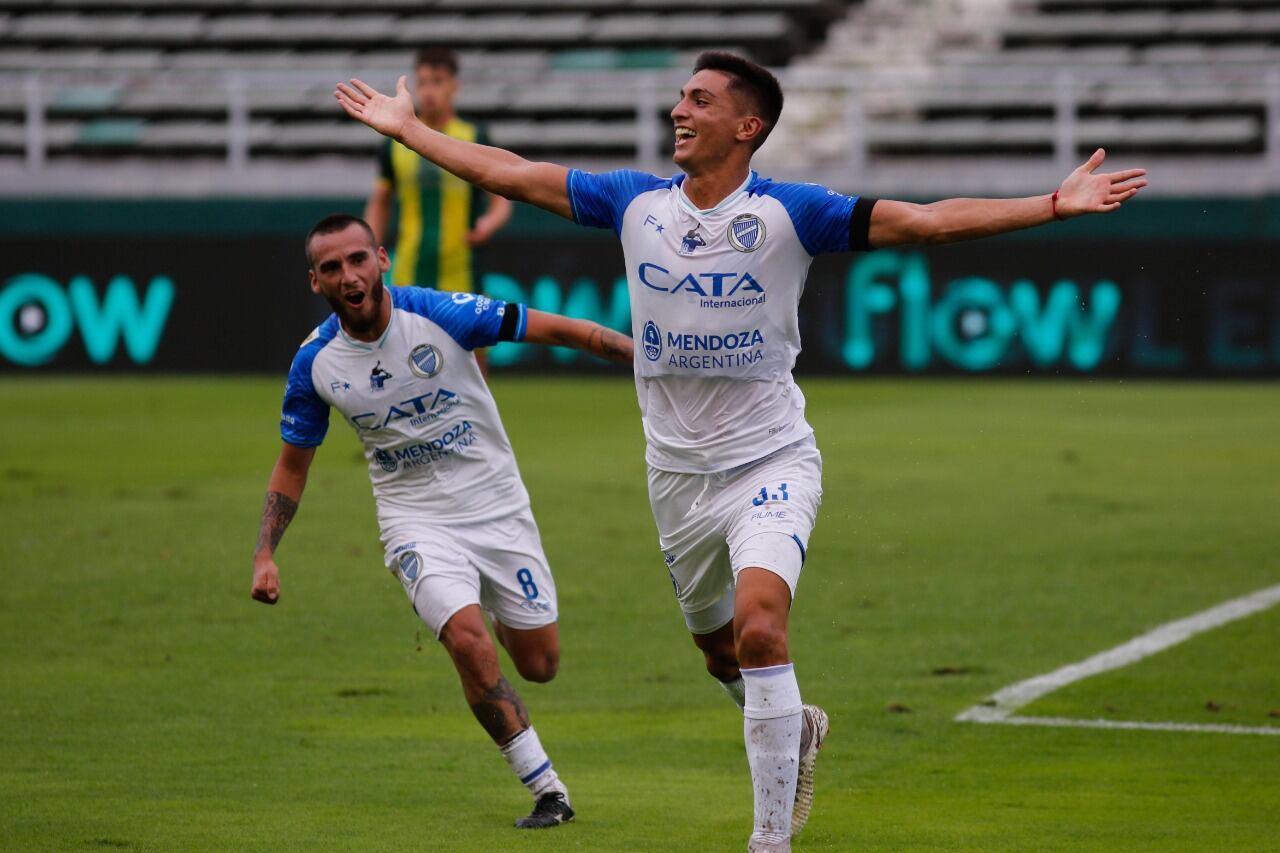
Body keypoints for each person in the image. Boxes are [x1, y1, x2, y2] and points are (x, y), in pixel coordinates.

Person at [335, 52, 1147, 851]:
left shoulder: (794, 212)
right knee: (719, 650)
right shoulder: (634, 202)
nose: (679, 112)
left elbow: (925, 220)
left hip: (771, 461)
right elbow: (510, 173)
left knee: (762, 629)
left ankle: (767, 840)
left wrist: (1052, 203)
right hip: (677, 478)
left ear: (746, 125)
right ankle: (796, 727)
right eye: (681, 98)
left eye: (700, 100)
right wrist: (409, 131)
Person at [250, 214, 631, 830]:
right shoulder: (315, 364)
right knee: (466, 643)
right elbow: (292, 465)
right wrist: (266, 554)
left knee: (540, 664)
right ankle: (548, 790)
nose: (349, 276)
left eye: (357, 260)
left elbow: (559, 329)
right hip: (414, 519)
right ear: (314, 282)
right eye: (331, 268)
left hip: (496, 507)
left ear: (382, 259)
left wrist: (644, 358)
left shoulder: (442, 314)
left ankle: (496, 605)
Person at [363, 47, 512, 373]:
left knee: (474, 365)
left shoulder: (474, 137)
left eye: (438, 82)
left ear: (454, 86)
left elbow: (501, 197)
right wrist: (366, 248)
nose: (429, 91)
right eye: (424, 82)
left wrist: (489, 222)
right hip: (410, 269)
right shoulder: (393, 141)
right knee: (403, 365)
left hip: (461, 268)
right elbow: (380, 201)